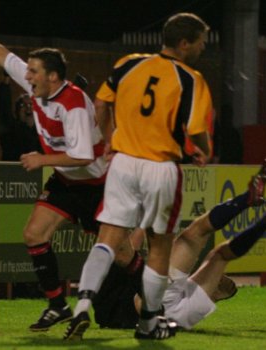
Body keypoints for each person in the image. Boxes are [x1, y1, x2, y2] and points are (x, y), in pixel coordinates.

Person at [0, 6, 108, 331]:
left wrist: (40, 159)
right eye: (28, 70)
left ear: (52, 76)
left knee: (122, 255)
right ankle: (57, 305)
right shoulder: (40, 85)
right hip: (66, 180)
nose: (27, 76)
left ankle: (152, 302)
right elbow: (2, 55)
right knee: (34, 233)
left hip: (98, 184)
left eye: (34, 71)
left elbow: (83, 157)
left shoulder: (73, 103)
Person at [65, 12, 213, 340]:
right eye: (201, 41)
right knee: (159, 245)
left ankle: (81, 306)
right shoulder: (190, 78)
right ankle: (148, 323)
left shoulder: (129, 63)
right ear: (185, 42)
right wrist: (204, 149)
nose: (204, 48)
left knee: (107, 239)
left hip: (123, 162)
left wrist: (108, 140)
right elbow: (197, 129)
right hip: (160, 166)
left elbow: (101, 104)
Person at [94, 160, 266, 332]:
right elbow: (130, 245)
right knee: (199, 235)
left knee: (216, 251)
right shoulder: (113, 262)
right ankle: (252, 204)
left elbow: (129, 247)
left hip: (163, 310)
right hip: (155, 304)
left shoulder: (110, 268)